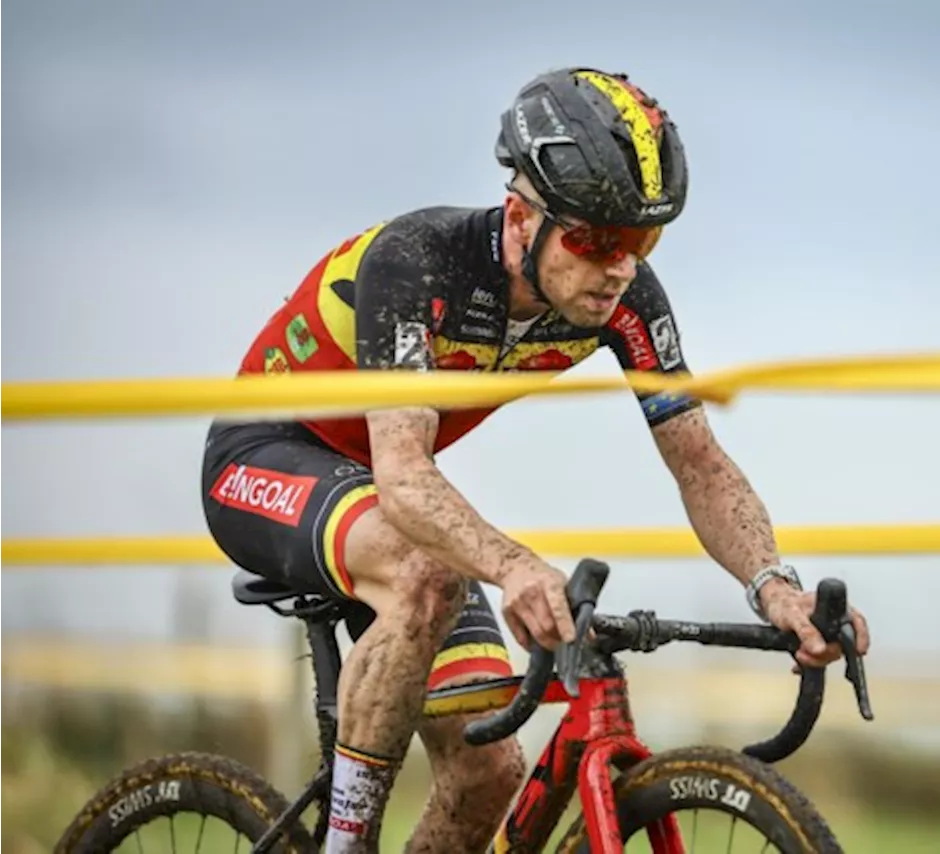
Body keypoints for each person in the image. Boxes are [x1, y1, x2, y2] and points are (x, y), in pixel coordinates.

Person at [200, 66, 871, 853]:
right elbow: (405, 474)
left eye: (642, 241)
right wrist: (516, 566)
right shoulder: (418, 262)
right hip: (268, 457)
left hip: (384, 498)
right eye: (595, 239)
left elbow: (700, 463)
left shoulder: (625, 301)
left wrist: (775, 588)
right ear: (522, 219)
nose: (619, 266)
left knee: (488, 775)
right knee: (430, 572)